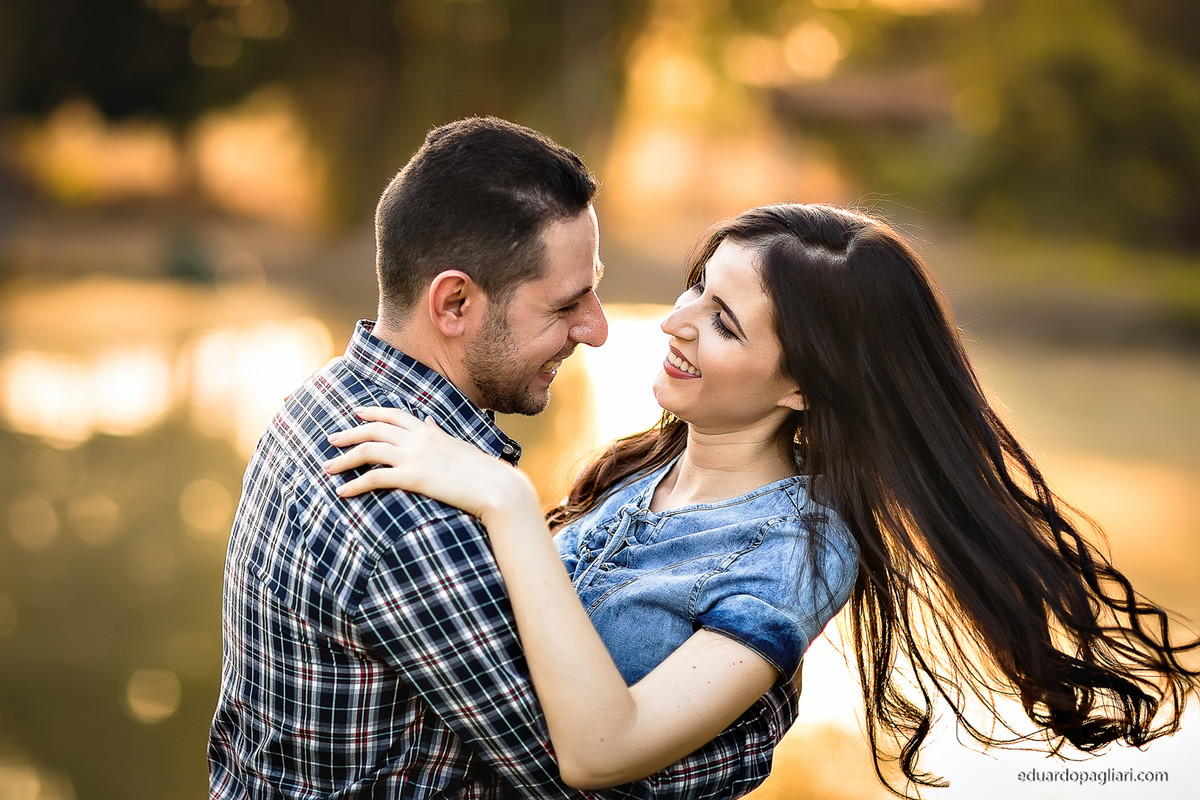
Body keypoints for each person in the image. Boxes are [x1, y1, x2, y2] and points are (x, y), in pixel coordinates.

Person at [324, 202, 1200, 796]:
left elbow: (601, 753)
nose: (676, 320)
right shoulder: (639, 470)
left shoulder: (801, 552)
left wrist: (507, 504)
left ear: (806, 389)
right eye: (697, 286)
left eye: (724, 322)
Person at [207, 117, 799, 800]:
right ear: (454, 303)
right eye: (566, 304)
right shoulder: (417, 515)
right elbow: (578, 782)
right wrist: (762, 710)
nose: (598, 329)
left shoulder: (318, 400)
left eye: (595, 289)